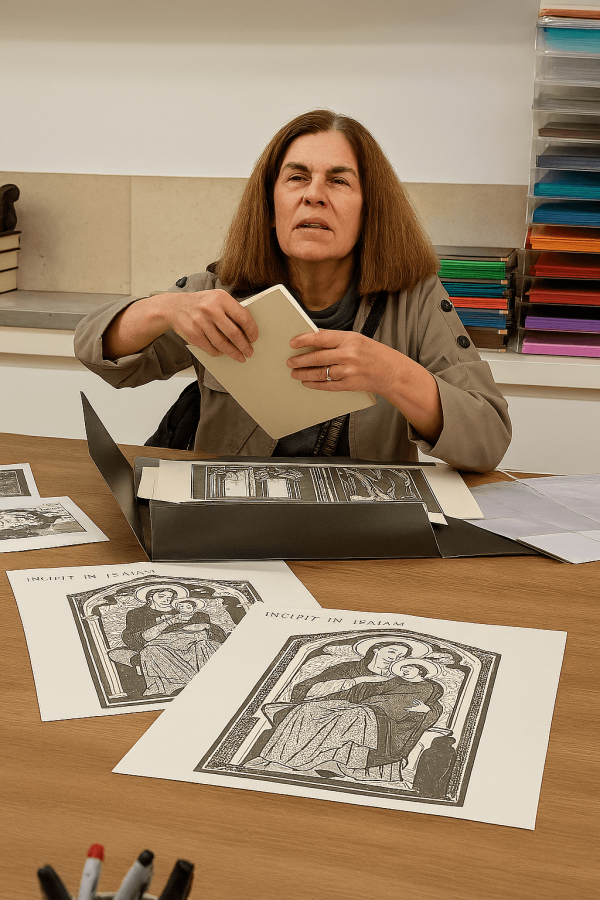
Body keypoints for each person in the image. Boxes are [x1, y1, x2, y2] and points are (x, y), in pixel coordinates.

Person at [74, 110, 511, 472]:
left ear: (369, 212)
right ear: (270, 208)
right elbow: (93, 349)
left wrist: (393, 374)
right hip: (229, 523)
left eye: (339, 181)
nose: (314, 196)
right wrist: (165, 309)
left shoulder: (414, 300)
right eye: (297, 178)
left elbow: (489, 440)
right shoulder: (222, 291)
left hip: (361, 538)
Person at [244, 653, 443, 783]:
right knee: (311, 709)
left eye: (410, 667)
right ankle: (282, 757)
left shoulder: (431, 688)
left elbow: (433, 708)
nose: (405, 670)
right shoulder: (391, 681)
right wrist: (363, 681)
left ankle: (309, 758)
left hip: (381, 716)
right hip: (365, 707)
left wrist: (427, 709)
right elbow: (365, 691)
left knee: (348, 716)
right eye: (403, 667)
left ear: (421, 670)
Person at [121, 585, 226, 696]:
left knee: (205, 645)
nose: (166, 599)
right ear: (150, 597)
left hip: (191, 646)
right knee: (151, 651)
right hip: (162, 648)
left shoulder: (185, 610)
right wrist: (169, 622)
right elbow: (136, 638)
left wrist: (204, 627)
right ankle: (175, 686)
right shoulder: (137, 614)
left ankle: (213, 680)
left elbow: (209, 630)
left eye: (169, 597)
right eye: (161, 596)